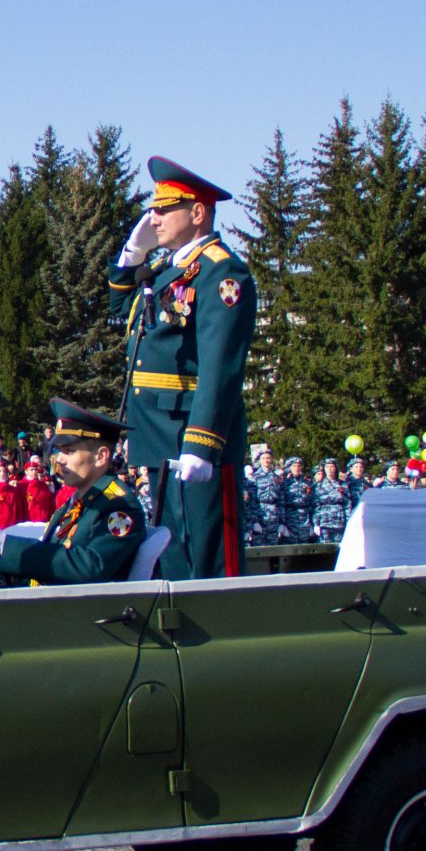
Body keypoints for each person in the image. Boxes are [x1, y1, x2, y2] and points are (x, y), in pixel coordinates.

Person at [111, 157, 254, 579]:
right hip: (158, 430)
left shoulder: (222, 272)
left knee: (207, 556)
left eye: (163, 209)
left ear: (196, 213)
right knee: (172, 553)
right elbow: (121, 308)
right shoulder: (166, 267)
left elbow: (220, 365)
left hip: (191, 431)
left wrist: (202, 443)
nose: (152, 218)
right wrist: (132, 255)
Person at [0, 401, 148, 586]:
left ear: (101, 456)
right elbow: (51, 553)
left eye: (69, 451)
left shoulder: (118, 505)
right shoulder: (82, 499)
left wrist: (6, 546)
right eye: (59, 451)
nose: (59, 460)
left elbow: (92, 566)